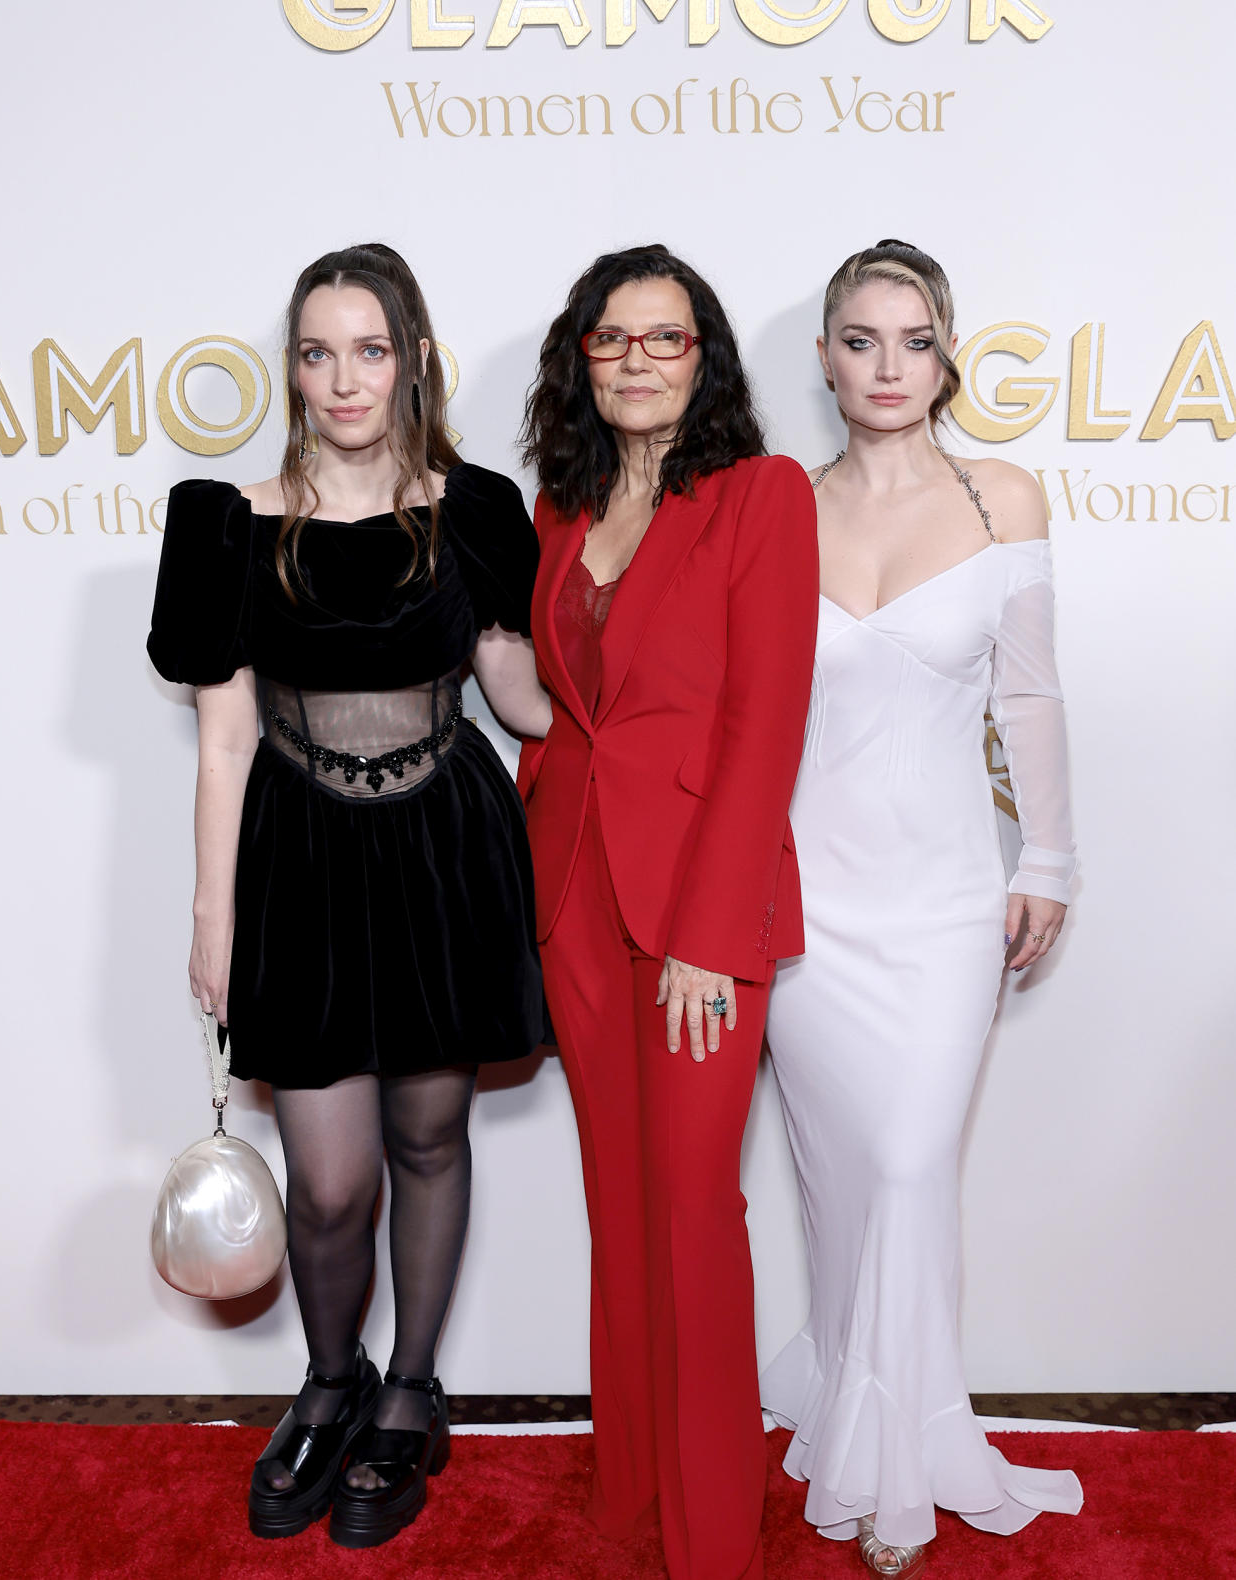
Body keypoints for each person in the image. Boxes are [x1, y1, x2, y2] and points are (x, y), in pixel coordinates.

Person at [147, 243, 549, 1550]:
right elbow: (222, 740)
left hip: (444, 850)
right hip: (304, 865)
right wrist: (216, 915)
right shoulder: (227, 520)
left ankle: (412, 1393)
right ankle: (333, 1381)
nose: (342, 377)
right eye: (317, 352)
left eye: (368, 349)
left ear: (413, 359)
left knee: (429, 1138)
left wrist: (644, 654)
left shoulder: (475, 508)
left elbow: (524, 700)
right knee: (326, 1181)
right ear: (294, 366)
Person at [759, 239, 1083, 1576]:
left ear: (946, 354)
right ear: (824, 357)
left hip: (948, 900)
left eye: (911, 339)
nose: (885, 366)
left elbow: (1029, 696)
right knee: (841, 1186)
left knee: (906, 1166)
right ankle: (854, 1404)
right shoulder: (771, 505)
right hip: (800, 912)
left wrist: (1048, 861)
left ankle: (900, 1454)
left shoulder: (1002, 495)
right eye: (858, 338)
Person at [519, 243, 819, 1580]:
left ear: (704, 359)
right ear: (579, 358)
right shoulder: (559, 507)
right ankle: (630, 1509)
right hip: (574, 897)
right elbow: (561, 711)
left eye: (666, 337)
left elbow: (764, 724)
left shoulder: (758, 497)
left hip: (697, 914)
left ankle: (708, 1542)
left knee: (694, 1222)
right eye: (612, 338)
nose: (638, 360)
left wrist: (710, 933)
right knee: (620, 1215)